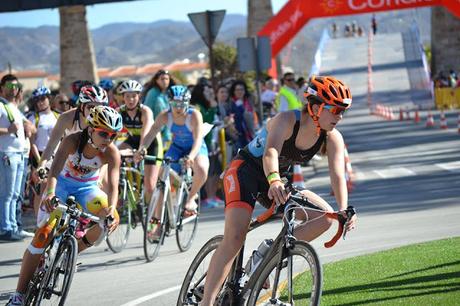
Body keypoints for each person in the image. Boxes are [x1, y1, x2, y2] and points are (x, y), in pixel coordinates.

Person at [200, 76, 358, 305]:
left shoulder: (333, 137)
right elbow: (270, 153)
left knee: (326, 217)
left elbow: (337, 175)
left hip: (275, 179)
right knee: (234, 238)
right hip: (245, 171)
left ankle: (264, 257)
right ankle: (207, 302)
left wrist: (343, 210)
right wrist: (274, 180)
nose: (339, 117)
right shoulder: (286, 120)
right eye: (335, 110)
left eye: (343, 111)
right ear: (315, 107)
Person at [6, 105, 122, 306]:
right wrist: (50, 194)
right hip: (61, 185)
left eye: (113, 135)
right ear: (91, 129)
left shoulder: (111, 152)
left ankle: (72, 251)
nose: (108, 139)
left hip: (87, 189)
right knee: (42, 236)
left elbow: (113, 185)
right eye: (104, 133)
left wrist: (111, 209)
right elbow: (54, 172)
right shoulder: (72, 140)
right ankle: (19, 296)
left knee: (111, 220)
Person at [135, 85, 209, 236]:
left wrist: (191, 157)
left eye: (181, 103)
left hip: (195, 147)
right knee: (162, 179)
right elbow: (152, 133)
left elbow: (197, 140)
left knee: (201, 169)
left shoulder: (194, 115)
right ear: (169, 103)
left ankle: (190, 197)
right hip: (176, 147)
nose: (178, 108)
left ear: (187, 102)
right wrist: (143, 147)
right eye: (174, 104)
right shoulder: (165, 115)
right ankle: (157, 222)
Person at [36, 85, 109, 177]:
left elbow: (108, 154)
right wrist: (41, 166)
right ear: (82, 106)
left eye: (99, 108)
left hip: (93, 162)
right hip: (68, 158)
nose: (94, 112)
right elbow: (51, 146)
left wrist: (100, 179)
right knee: (46, 181)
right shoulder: (66, 118)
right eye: (90, 107)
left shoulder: (107, 121)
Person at [0, 74, 35, 241]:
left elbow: (28, 125)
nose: (13, 89)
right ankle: (5, 228)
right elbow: (9, 128)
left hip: (19, 154)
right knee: (7, 194)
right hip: (7, 153)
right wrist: (8, 131)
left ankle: (13, 226)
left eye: (16, 86)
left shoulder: (12, 107)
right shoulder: (1, 106)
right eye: (9, 86)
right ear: (2, 87)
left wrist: (27, 125)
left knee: (15, 194)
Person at [117, 79, 163, 208]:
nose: (131, 99)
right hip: (132, 140)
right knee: (115, 154)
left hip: (150, 142)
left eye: (134, 96)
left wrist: (141, 150)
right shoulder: (119, 112)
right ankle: (125, 190)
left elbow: (146, 133)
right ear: (123, 98)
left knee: (150, 185)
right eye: (127, 96)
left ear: (139, 96)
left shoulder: (145, 111)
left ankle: (153, 213)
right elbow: (112, 133)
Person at [27, 86, 59, 215]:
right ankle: (38, 223)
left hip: (57, 156)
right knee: (40, 190)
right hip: (40, 156)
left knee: (55, 188)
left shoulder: (57, 116)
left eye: (43, 98)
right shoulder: (34, 118)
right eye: (37, 100)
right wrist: (40, 161)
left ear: (49, 99)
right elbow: (32, 142)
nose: (40, 102)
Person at [191, 82, 222, 208]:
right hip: (203, 140)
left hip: (211, 140)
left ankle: (213, 196)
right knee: (209, 171)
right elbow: (206, 120)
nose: (210, 93)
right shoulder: (198, 107)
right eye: (206, 91)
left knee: (215, 170)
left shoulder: (206, 105)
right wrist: (213, 106)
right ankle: (208, 197)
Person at [142, 69, 175, 146]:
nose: (165, 81)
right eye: (162, 79)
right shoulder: (152, 93)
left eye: (167, 79)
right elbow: (146, 111)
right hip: (155, 131)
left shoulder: (170, 93)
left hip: (169, 131)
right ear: (157, 81)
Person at [228, 80, 256, 150]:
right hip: (238, 136)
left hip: (251, 133)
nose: (239, 91)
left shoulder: (248, 102)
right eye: (237, 90)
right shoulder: (230, 104)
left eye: (241, 89)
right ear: (233, 91)